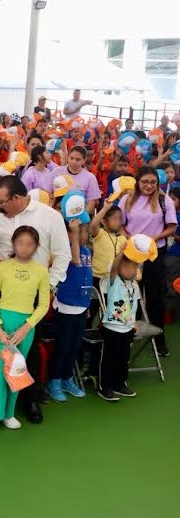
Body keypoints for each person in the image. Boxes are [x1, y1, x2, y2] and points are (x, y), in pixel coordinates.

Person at [0, 225, 50, 433]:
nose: (24, 248)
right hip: (0, 324)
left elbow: (43, 304)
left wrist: (27, 327)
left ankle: (9, 414)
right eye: (20, 243)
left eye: (29, 244)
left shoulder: (40, 271)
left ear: (36, 247)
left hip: (24, 328)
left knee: (16, 371)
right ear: (13, 244)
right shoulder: (2, 267)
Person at [117, 166, 176, 354]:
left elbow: (171, 228)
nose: (149, 185)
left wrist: (153, 239)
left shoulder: (164, 200)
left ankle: (159, 341)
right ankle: (128, 335)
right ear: (137, 181)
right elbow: (119, 224)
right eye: (145, 182)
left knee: (154, 297)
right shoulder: (127, 199)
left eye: (153, 182)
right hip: (131, 255)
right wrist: (128, 238)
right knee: (129, 295)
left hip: (154, 254)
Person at [47, 218, 91, 402]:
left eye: (85, 232)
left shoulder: (87, 251)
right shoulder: (64, 252)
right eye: (81, 232)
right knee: (63, 346)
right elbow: (73, 258)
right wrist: (73, 232)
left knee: (74, 346)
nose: (85, 235)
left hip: (82, 306)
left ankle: (67, 378)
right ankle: (54, 381)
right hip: (66, 307)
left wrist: (87, 304)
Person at [98, 247, 143, 401]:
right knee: (110, 358)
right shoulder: (114, 280)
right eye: (127, 266)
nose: (131, 270)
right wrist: (122, 254)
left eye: (134, 267)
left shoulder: (134, 285)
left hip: (128, 328)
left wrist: (134, 322)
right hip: (112, 328)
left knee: (123, 358)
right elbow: (115, 266)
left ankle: (120, 384)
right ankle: (106, 387)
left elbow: (133, 306)